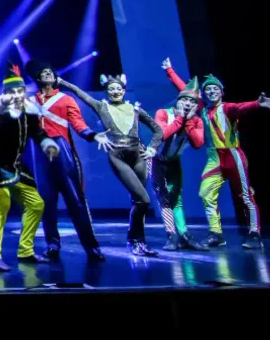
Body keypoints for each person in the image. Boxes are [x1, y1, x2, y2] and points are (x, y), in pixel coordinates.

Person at [162, 58, 268, 249]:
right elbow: (186, 91)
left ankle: (254, 234)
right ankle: (216, 233)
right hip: (214, 158)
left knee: (245, 196)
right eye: (208, 90)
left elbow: (241, 107)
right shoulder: (202, 109)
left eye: (215, 89)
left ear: (221, 92)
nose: (211, 92)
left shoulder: (227, 108)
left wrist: (257, 104)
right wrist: (170, 71)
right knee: (205, 193)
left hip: (233, 156)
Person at [58, 74, 163, 256]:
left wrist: (153, 149)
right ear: (106, 92)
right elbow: (80, 93)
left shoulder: (135, 109)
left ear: (124, 90)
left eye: (118, 88)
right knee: (144, 200)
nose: (115, 91)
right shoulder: (102, 106)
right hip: (117, 155)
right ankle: (133, 239)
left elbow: (158, 129)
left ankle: (140, 243)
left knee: (139, 202)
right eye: (111, 89)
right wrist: (62, 82)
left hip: (138, 155)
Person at [0, 63, 60, 271]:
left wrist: (48, 145)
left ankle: (26, 250)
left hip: (17, 165)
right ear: (5, 94)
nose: (16, 95)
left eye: (20, 91)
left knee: (36, 204)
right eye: (12, 92)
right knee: (1, 202)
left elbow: (38, 133)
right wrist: (0, 103)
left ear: (25, 92)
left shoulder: (29, 112)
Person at [24, 61, 106, 261]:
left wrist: (92, 135)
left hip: (63, 152)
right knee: (46, 203)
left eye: (50, 71)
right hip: (40, 154)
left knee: (76, 202)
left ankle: (91, 247)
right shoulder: (30, 101)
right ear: (37, 78)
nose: (47, 73)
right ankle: (52, 245)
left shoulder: (65, 99)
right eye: (43, 72)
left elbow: (78, 124)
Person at [149, 74, 209, 251]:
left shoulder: (196, 121)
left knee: (177, 199)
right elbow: (163, 135)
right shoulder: (163, 113)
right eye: (184, 100)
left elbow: (198, 144)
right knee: (164, 199)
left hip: (174, 161)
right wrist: (180, 119)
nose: (188, 104)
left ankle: (184, 235)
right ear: (178, 100)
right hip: (156, 160)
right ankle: (172, 235)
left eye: (192, 102)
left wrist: (188, 121)